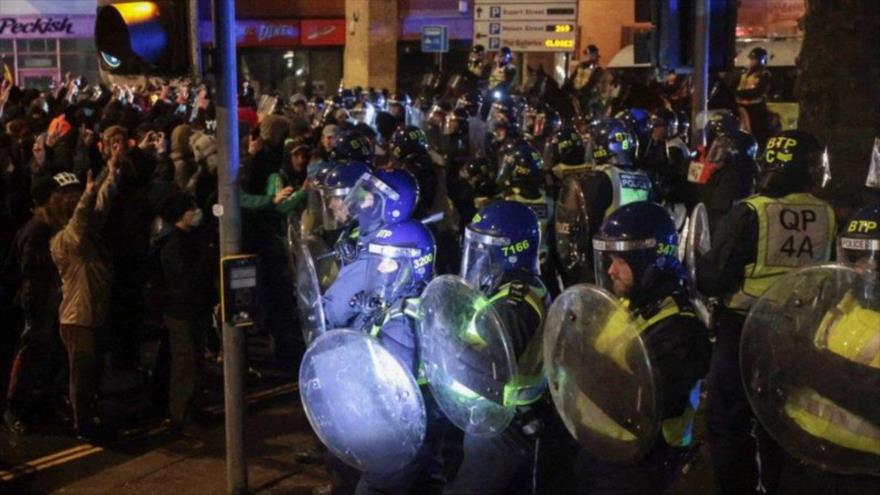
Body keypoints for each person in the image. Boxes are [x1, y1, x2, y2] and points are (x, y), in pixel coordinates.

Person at [697, 130, 836, 495]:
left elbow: (712, 278)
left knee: (729, 422)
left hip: (742, 331)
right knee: (781, 422)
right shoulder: (827, 214)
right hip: (796, 333)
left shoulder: (750, 211)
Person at [574, 201, 710, 493]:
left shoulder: (680, 327)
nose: (610, 271)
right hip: (602, 445)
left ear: (649, 261)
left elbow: (644, 400)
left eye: (619, 262)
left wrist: (583, 367)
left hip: (640, 462)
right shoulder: (631, 303)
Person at [764, 203, 880, 495]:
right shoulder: (834, 300)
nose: (864, 267)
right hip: (801, 455)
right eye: (855, 256)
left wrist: (801, 361)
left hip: (863, 473)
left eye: (875, 257)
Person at [445, 200, 552, 495]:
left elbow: (489, 371)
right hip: (507, 423)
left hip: (502, 426)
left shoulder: (512, 305)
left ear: (509, 251)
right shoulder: (517, 287)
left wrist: (446, 346)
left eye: (485, 248)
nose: (478, 256)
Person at [353, 220, 447, 495]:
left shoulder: (402, 320)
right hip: (425, 419)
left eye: (390, 263)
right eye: (378, 261)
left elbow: (395, 386)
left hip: (403, 428)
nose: (380, 269)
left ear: (413, 267)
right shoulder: (407, 302)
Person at [49, 161, 118, 440]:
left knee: (95, 370)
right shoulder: (64, 241)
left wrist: (110, 173)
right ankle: (84, 424)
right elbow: (81, 219)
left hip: (94, 314)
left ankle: (90, 414)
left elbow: (101, 206)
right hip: (78, 318)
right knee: (82, 375)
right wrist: (88, 195)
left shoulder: (89, 234)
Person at [3, 175, 65, 435]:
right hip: (35, 298)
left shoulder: (49, 223)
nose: (61, 200)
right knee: (28, 351)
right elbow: (28, 263)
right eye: (56, 197)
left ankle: (37, 399)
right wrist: (56, 256)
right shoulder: (37, 227)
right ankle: (13, 405)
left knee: (44, 351)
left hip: (46, 296)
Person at [322, 168, 419, 329]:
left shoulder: (379, 252)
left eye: (369, 197)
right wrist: (348, 261)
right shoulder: (366, 236)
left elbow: (332, 313)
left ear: (390, 207)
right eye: (362, 193)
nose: (360, 201)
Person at [156, 192, 212, 433]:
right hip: (180, 310)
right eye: (191, 208)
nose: (195, 212)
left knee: (196, 361)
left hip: (194, 308)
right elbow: (183, 281)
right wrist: (205, 261)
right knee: (185, 362)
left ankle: (194, 408)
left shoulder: (189, 237)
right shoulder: (173, 244)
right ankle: (182, 414)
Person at [736, 47, 772, 148]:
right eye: (752, 59)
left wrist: (741, 93)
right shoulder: (744, 74)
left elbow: (758, 91)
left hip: (755, 108)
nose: (752, 62)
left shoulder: (764, 75)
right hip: (741, 107)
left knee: (757, 132)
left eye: (755, 60)